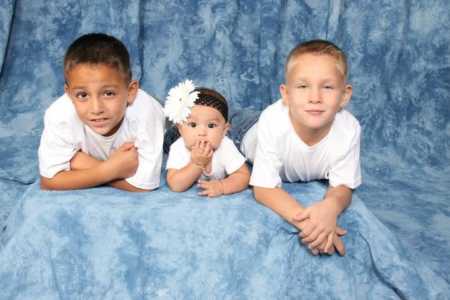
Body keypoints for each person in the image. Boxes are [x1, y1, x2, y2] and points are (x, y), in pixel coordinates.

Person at [241, 39, 361, 255]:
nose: (315, 98)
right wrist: (311, 226)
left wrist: (330, 208)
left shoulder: (349, 128)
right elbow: (263, 188)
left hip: (281, 122)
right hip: (244, 132)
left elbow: (343, 186)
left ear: (344, 95)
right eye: (303, 86)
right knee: (208, 122)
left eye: (327, 87)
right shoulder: (273, 121)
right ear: (286, 94)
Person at [38, 33, 164, 192]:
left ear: (131, 91)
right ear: (69, 95)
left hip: (167, 123)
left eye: (108, 93)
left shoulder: (146, 112)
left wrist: (79, 162)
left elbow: (143, 186)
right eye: (82, 95)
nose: (96, 109)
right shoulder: (59, 114)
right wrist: (109, 170)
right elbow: (49, 181)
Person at [164, 80, 250, 197]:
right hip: (172, 137)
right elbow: (175, 184)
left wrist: (222, 186)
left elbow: (243, 176)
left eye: (211, 125)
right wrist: (197, 164)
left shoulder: (225, 146)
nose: (202, 132)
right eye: (193, 125)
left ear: (224, 130)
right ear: (180, 129)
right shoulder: (178, 147)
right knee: (166, 138)